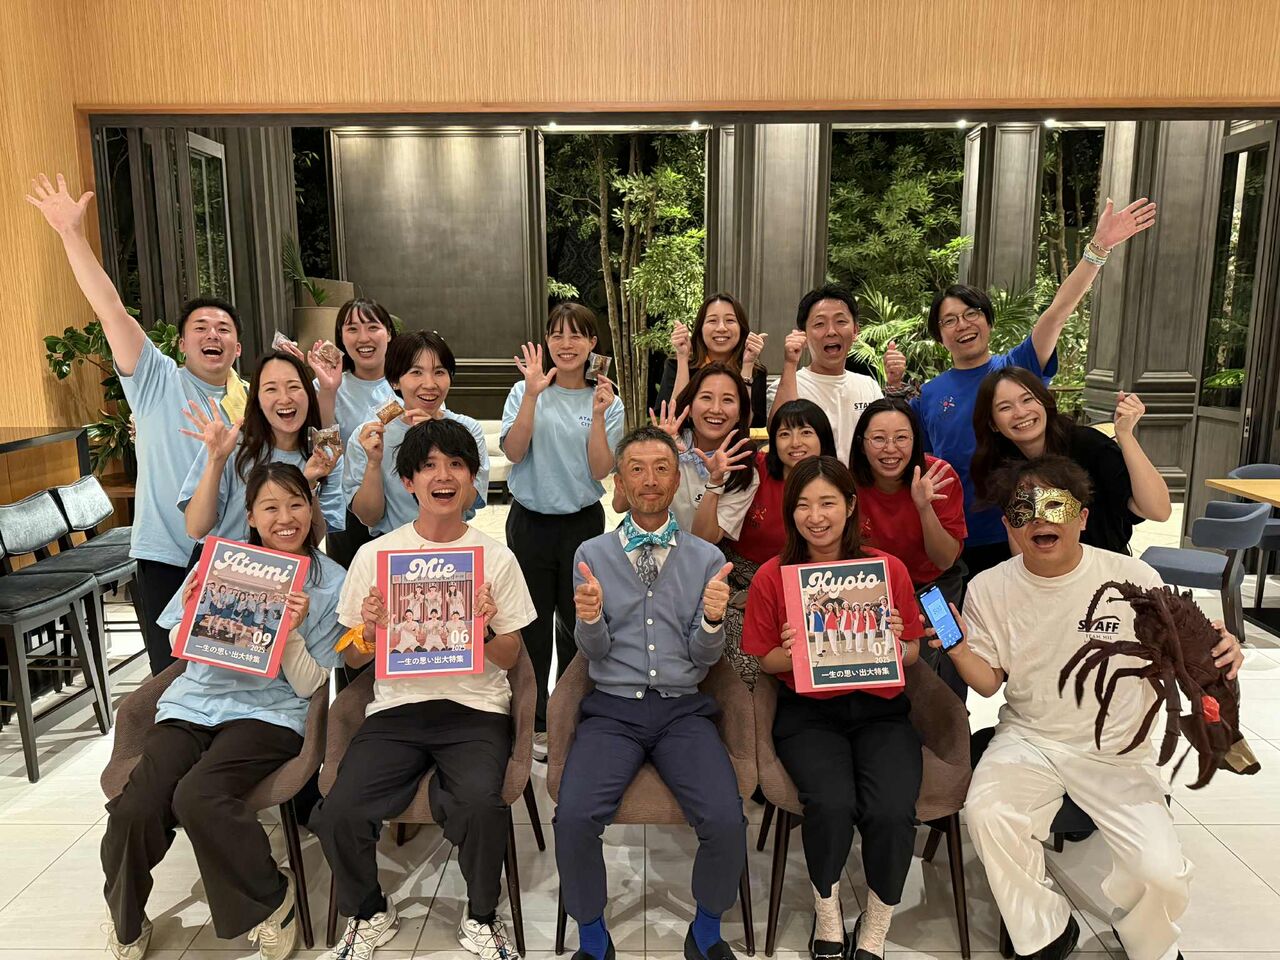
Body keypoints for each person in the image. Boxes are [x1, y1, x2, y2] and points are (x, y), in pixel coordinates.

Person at [937, 455, 1242, 960]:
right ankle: (1046, 930)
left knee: (1161, 874)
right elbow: (989, 684)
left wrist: (1222, 647)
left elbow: (1191, 650)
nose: (1040, 519)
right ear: (1009, 524)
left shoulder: (1132, 577)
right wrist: (958, 650)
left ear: (1081, 516)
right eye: (1023, 510)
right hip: (1029, 738)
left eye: (1055, 506)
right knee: (988, 813)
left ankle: (1146, 939)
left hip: (1118, 750)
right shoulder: (989, 587)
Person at [100, 462, 347, 960]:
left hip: (269, 713)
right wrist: (195, 612)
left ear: (312, 509)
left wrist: (289, 632)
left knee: (200, 795)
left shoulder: (330, 581)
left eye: (296, 504)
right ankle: (127, 916)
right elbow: (178, 646)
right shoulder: (222, 561)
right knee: (136, 805)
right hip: (194, 704)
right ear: (251, 516)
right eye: (270, 507)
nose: (285, 518)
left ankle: (272, 899)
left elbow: (313, 684)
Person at [311, 419, 536, 960]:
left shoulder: (496, 558)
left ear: (474, 479)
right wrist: (369, 631)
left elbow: (511, 657)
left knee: (480, 805)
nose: (444, 476)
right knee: (338, 811)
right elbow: (352, 657)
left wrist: (483, 628)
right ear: (408, 481)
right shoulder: (376, 557)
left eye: (456, 464)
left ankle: (481, 917)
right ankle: (369, 912)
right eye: (429, 466)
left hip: (475, 707)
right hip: (397, 708)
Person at [28, 172, 246, 675]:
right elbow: (110, 310)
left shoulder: (250, 400)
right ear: (183, 344)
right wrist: (71, 234)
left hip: (231, 555)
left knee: (231, 673)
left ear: (237, 348)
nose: (213, 335)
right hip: (164, 552)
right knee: (169, 678)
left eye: (224, 330)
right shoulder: (155, 379)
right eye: (201, 328)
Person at [557, 425, 748, 960]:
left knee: (726, 819)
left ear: (677, 479)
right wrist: (588, 619)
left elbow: (704, 660)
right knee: (573, 818)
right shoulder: (591, 553)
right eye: (636, 469)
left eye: (662, 468)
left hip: (683, 711)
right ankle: (593, 938)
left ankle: (705, 932)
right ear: (619, 481)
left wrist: (713, 621)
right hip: (611, 711)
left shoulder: (705, 558)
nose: (649, 480)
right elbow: (593, 652)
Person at [910, 198, 1158, 580]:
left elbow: (1057, 312)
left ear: (988, 322)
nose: (963, 325)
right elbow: (930, 466)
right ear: (939, 336)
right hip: (963, 535)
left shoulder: (1017, 368)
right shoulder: (929, 395)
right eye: (950, 320)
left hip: (1030, 527)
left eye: (972, 314)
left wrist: (1098, 249)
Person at [741, 456, 923, 960]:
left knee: (891, 810)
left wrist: (895, 641)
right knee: (831, 803)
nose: (815, 517)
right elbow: (764, 658)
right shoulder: (773, 576)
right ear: (790, 512)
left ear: (850, 505)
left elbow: (912, 651)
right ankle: (827, 911)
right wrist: (793, 651)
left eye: (827, 503)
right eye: (803, 505)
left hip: (881, 708)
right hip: (808, 714)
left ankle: (877, 922)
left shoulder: (887, 570)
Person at [501, 302, 625, 759]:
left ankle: (570, 714)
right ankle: (535, 721)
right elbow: (514, 453)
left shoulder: (608, 399)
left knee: (578, 624)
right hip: (530, 522)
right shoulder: (524, 389)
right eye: (557, 334)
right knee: (531, 625)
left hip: (582, 524)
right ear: (547, 341)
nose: (566, 344)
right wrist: (533, 395)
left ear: (593, 343)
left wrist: (598, 415)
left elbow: (601, 469)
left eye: (577, 335)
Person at [970, 367, 1171, 555]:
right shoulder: (1002, 465)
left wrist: (1125, 434)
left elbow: (1159, 511)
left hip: (1106, 567)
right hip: (1044, 572)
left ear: (1044, 402)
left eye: (1028, 399)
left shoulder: (1089, 445)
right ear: (993, 424)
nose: (1020, 413)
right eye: (1005, 407)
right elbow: (1020, 542)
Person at [849, 398, 967, 697]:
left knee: (941, 651)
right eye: (878, 439)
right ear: (861, 444)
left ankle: (950, 719)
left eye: (901, 438)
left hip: (933, 584)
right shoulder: (847, 484)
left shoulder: (939, 476)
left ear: (915, 440)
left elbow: (944, 559)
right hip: (874, 589)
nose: (890, 449)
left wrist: (924, 507)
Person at [719, 399, 838, 687]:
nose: (795, 443)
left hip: (808, 587)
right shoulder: (754, 470)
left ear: (823, 437)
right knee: (747, 663)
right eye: (785, 434)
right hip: (741, 582)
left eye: (806, 432)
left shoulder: (837, 481)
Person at [179, 351, 345, 550]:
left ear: (309, 394)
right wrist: (217, 460)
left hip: (287, 567)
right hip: (226, 564)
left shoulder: (323, 457)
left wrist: (309, 485)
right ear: (256, 399)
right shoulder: (231, 444)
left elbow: (314, 540)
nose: (284, 398)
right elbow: (196, 529)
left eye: (293, 387)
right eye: (271, 389)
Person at [343, 331, 489, 536]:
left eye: (439, 372)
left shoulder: (468, 429)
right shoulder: (370, 436)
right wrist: (373, 463)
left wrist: (437, 436)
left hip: (452, 543)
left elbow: (467, 502)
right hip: (393, 545)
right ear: (395, 380)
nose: (430, 384)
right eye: (416, 372)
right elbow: (369, 517)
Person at [298, 297, 398, 569]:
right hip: (346, 510)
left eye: (373, 327)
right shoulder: (326, 385)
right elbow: (323, 452)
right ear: (341, 337)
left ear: (389, 333)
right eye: (352, 328)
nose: (363, 337)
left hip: (401, 506)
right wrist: (329, 391)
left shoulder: (410, 381)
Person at [767, 285, 898, 463]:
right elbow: (778, 432)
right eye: (819, 324)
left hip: (859, 480)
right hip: (810, 480)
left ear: (855, 331)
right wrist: (790, 363)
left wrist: (895, 384)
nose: (831, 331)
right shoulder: (787, 386)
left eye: (840, 322)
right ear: (803, 334)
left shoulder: (869, 386)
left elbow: (888, 438)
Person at [629, 363, 758, 541]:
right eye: (706, 397)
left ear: (739, 414)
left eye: (727, 400)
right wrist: (654, 453)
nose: (716, 409)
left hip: (695, 555)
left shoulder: (741, 469)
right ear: (689, 408)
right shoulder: (670, 441)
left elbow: (706, 539)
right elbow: (619, 505)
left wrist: (715, 482)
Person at [657, 293, 769, 427]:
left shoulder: (755, 372)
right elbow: (673, 420)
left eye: (730, 320)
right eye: (712, 321)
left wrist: (748, 365)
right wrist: (682, 357)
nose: (721, 328)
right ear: (700, 328)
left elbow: (746, 425)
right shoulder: (676, 365)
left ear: (741, 328)